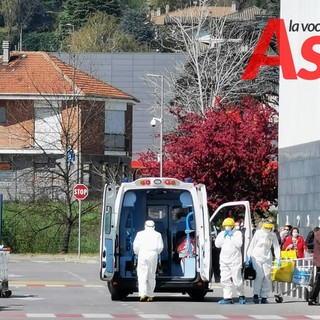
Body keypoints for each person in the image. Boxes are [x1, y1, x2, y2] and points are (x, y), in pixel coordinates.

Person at [247, 218, 281, 304]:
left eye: (269, 228)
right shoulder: (258, 233)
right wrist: (248, 256)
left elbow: (276, 246)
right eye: (266, 228)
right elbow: (252, 244)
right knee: (259, 275)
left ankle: (264, 296)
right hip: (257, 255)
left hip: (267, 256)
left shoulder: (272, 235)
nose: (267, 230)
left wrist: (278, 258)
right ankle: (255, 294)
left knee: (267, 276)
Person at [215, 217, 246, 305]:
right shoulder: (221, 234)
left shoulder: (237, 233)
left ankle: (241, 295)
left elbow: (239, 244)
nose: (227, 227)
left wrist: (231, 236)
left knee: (237, 280)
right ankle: (227, 298)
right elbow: (217, 245)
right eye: (225, 226)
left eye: (229, 226)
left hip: (235, 260)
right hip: (224, 260)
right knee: (225, 279)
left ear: (232, 226)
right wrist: (223, 237)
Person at [133, 220, 164, 302]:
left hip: (142, 253)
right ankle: (150, 295)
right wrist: (156, 253)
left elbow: (136, 246)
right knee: (151, 275)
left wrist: (137, 253)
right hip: (153, 254)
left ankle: (142, 294)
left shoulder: (140, 234)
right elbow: (160, 247)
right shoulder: (158, 234)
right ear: (154, 226)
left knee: (142, 274)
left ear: (145, 226)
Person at [308, 227, 320, 306]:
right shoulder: (318, 234)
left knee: (318, 280)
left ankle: (312, 298)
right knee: (318, 280)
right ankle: (312, 298)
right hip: (319, 260)